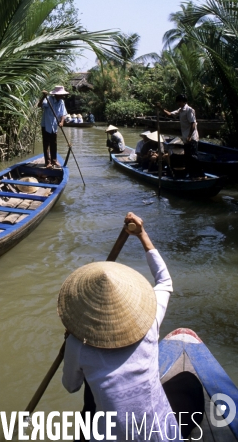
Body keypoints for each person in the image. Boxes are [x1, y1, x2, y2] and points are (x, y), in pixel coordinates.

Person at [59, 212, 183, 442]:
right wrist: (142, 235)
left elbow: (70, 386)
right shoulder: (150, 320)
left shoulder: (78, 345)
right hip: (162, 434)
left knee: (89, 406)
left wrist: (70, 344)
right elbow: (165, 281)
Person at [158, 95, 205, 178]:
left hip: (191, 138)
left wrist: (189, 136)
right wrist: (160, 108)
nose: (178, 103)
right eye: (178, 102)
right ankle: (192, 175)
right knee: (187, 158)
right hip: (185, 138)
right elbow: (169, 114)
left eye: (180, 102)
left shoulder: (189, 110)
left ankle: (201, 175)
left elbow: (193, 123)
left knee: (193, 157)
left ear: (184, 101)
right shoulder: (180, 110)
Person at [38, 86, 68, 168]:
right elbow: (39, 105)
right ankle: (48, 162)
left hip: (54, 126)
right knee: (46, 144)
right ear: (56, 95)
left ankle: (54, 160)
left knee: (54, 143)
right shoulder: (48, 99)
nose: (62, 96)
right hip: (46, 124)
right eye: (61, 94)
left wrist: (62, 122)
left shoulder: (61, 102)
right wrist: (43, 97)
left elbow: (63, 114)